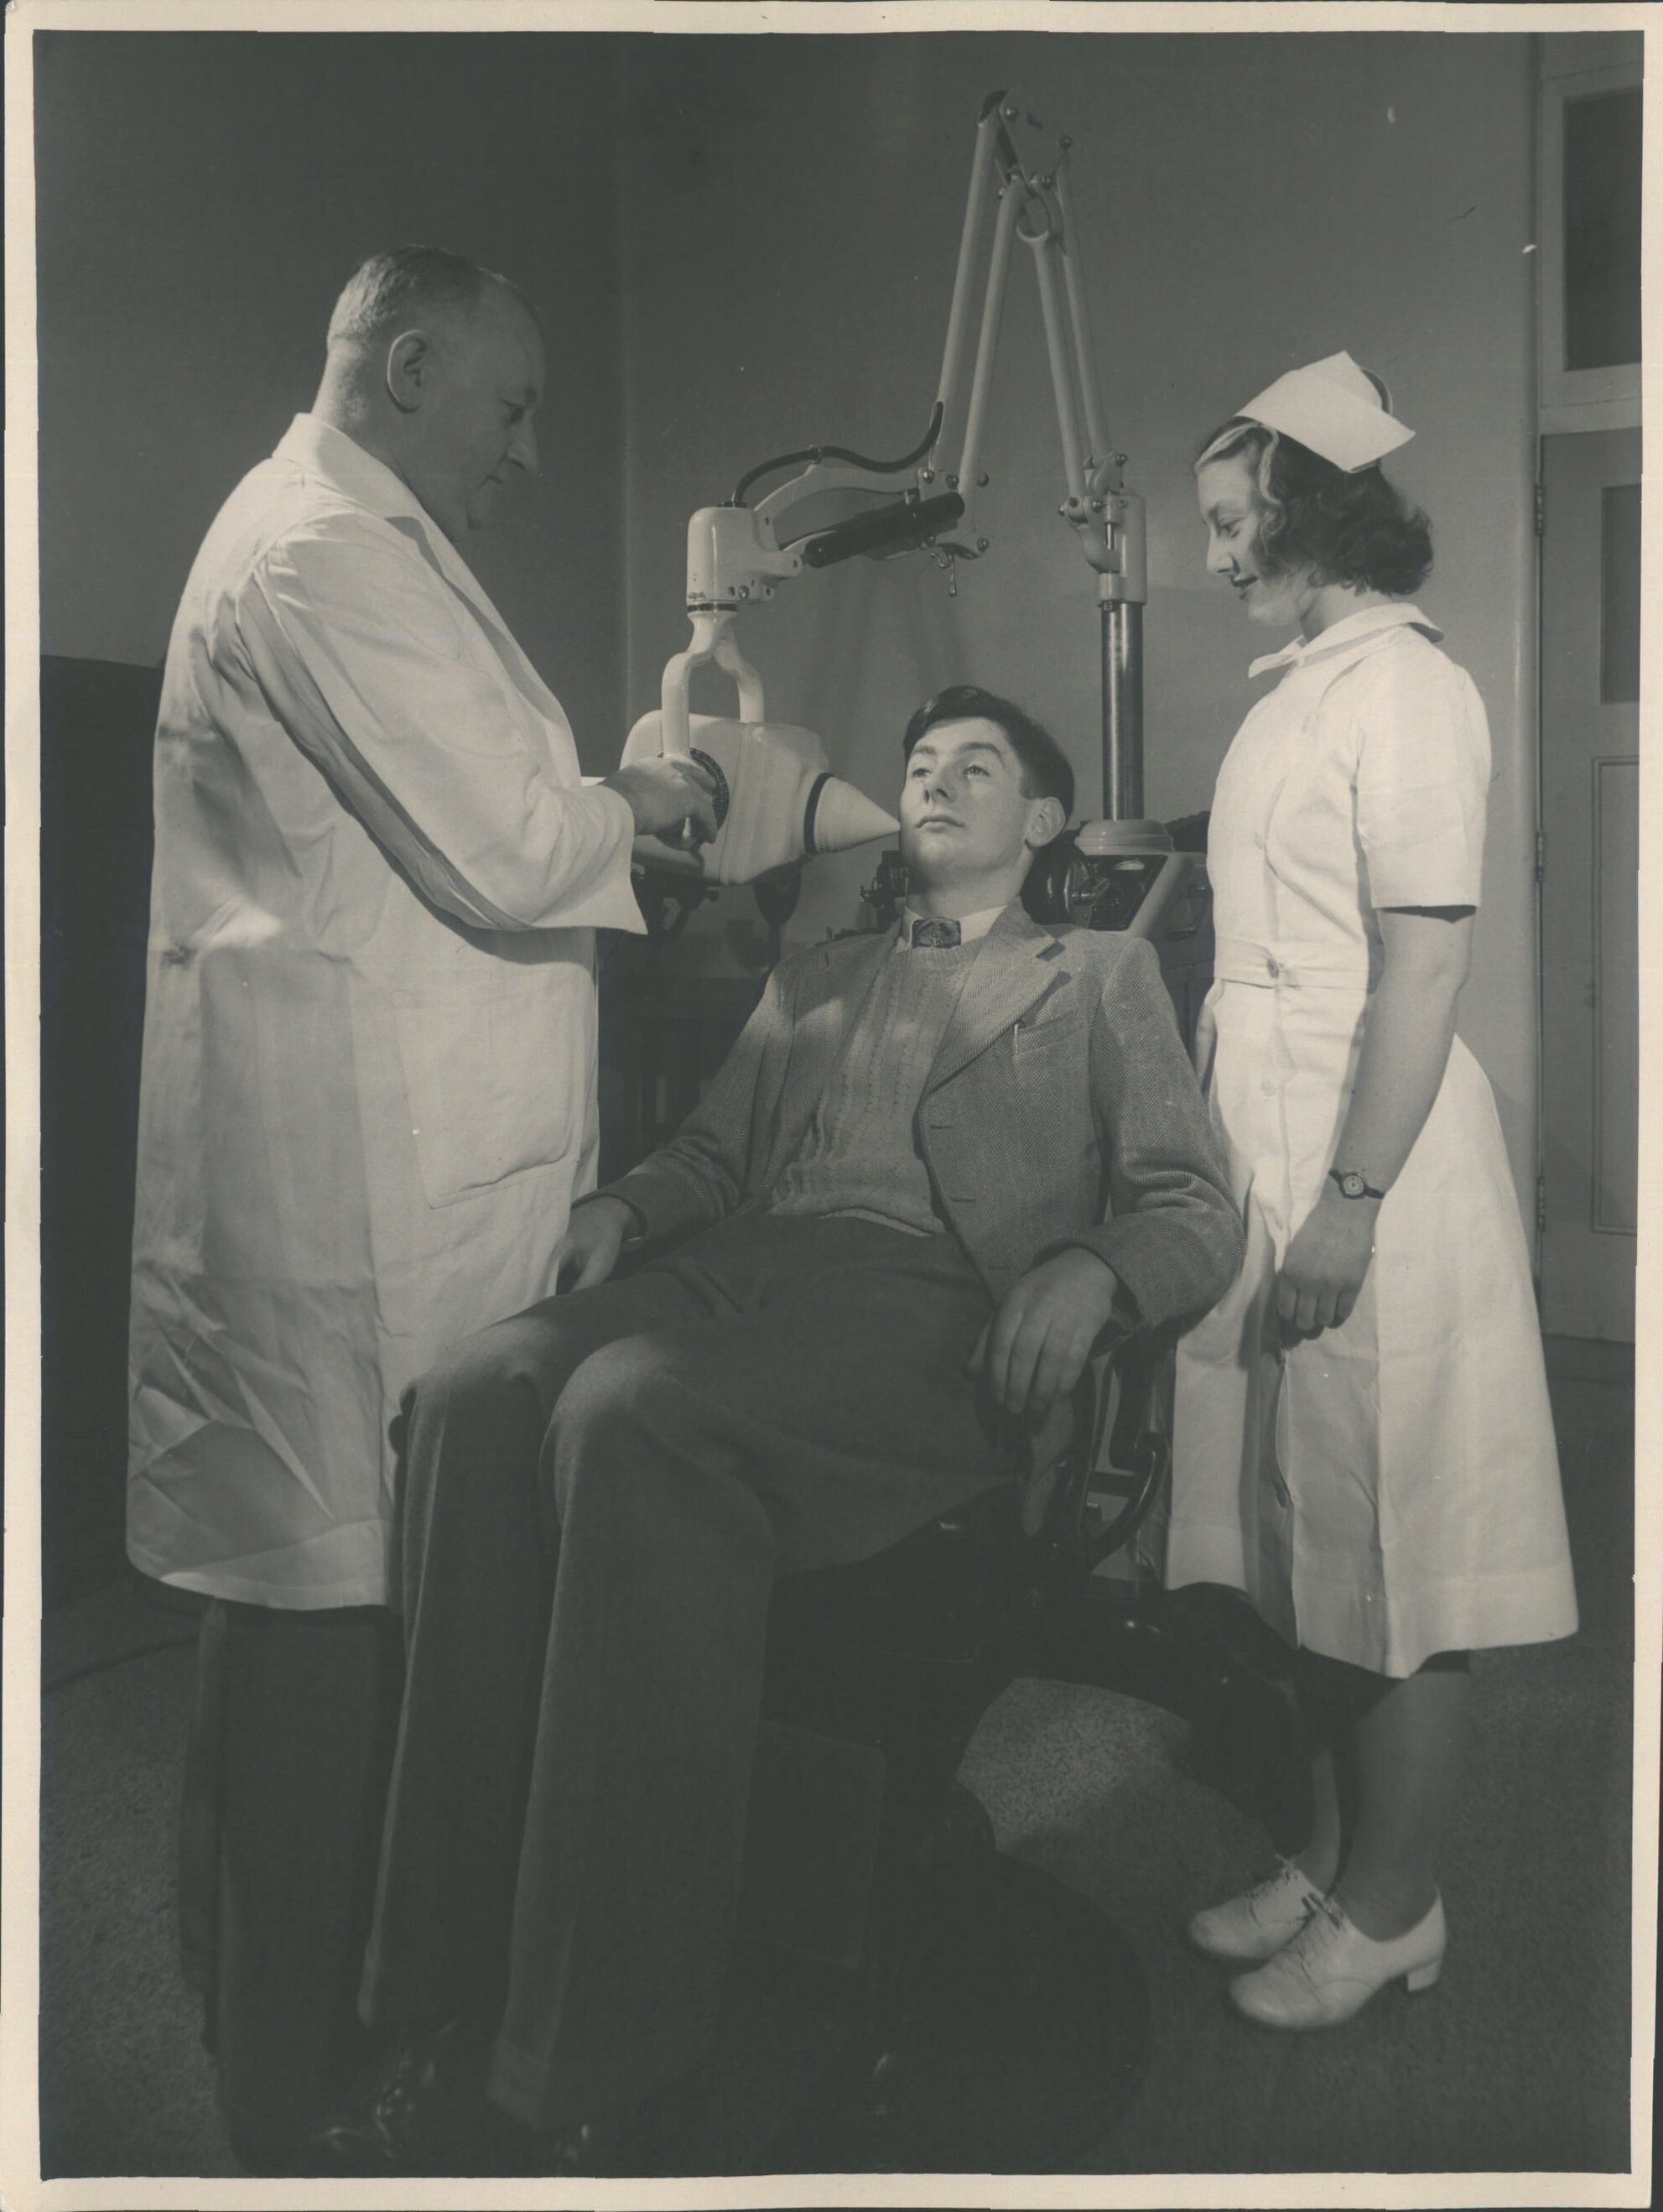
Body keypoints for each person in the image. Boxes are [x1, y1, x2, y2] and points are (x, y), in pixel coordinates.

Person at [314, 684, 1244, 2175]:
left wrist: (1093, 1266)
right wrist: (625, 1204)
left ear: (1046, 821)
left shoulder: (1097, 977)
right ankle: (434, 1976)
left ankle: (591, 2046)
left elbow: (1196, 1205)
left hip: (932, 1315)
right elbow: (707, 1151)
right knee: (476, 1395)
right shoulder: (820, 965)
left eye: (977, 767)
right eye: (921, 761)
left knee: (631, 1414)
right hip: (742, 1271)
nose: (937, 780)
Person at [126, 245, 717, 2164]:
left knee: (311, 1607)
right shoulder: (316, 551)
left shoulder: (347, 526)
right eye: (512, 405)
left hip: (379, 1163)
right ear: (401, 365)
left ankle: (269, 2007)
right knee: (321, 1624)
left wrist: (605, 793)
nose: (531, 450)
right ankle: (287, 2085)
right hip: (354, 1195)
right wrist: (665, 785)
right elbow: (507, 837)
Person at [1164, 353, 1578, 2029]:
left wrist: (1347, 1199)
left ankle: (1397, 1906)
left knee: (1397, 1544)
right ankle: (1335, 1862)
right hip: (1274, 1138)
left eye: (1220, 519)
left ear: (1298, 507)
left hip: (1372, 1153)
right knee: (1303, 1535)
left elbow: (1419, 974)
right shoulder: (1303, 688)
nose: (1206, 555)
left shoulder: (1408, 691)